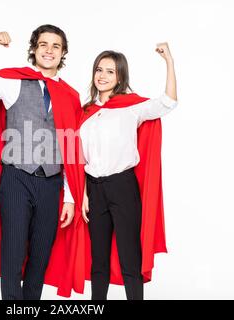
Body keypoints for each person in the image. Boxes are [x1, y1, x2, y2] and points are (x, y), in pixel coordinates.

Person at [0, 25, 85, 300]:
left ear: (63, 54)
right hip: (16, 180)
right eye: (44, 44)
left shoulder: (71, 96)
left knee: (40, 258)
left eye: (56, 46)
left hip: (51, 186)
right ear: (34, 49)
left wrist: (71, 197)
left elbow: (71, 147)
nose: (49, 50)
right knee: (13, 256)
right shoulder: (12, 83)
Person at [79, 43, 178, 300]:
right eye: (99, 70)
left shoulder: (131, 107)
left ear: (120, 77)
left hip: (123, 187)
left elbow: (168, 102)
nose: (102, 76)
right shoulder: (85, 112)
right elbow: (78, 157)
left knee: (129, 259)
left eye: (110, 72)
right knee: (98, 260)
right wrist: (83, 194)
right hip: (94, 189)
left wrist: (169, 61)